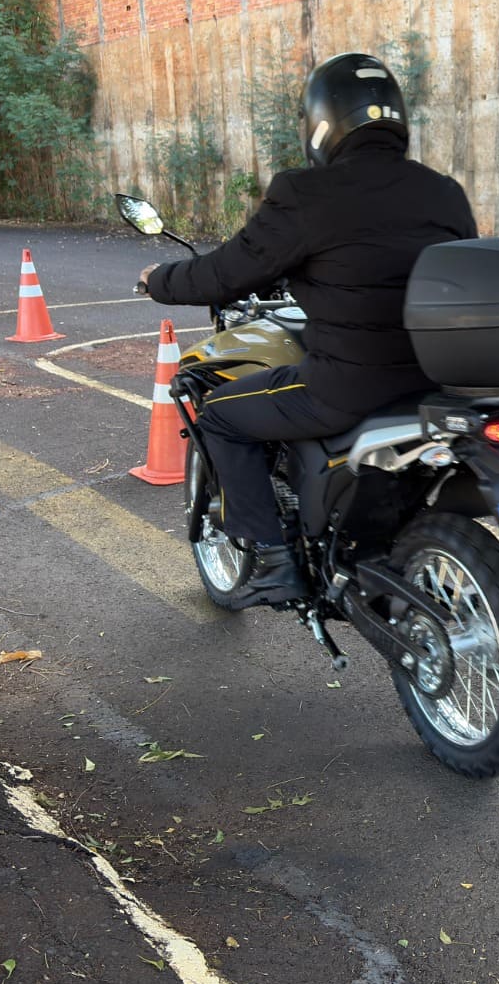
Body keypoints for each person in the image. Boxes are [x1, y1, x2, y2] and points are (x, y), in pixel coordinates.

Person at [141, 52, 477, 607]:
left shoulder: (306, 194)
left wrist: (159, 280)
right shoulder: (444, 192)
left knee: (222, 414)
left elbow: (225, 272)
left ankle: (275, 562)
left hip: (349, 388)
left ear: (323, 122)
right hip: (441, 384)